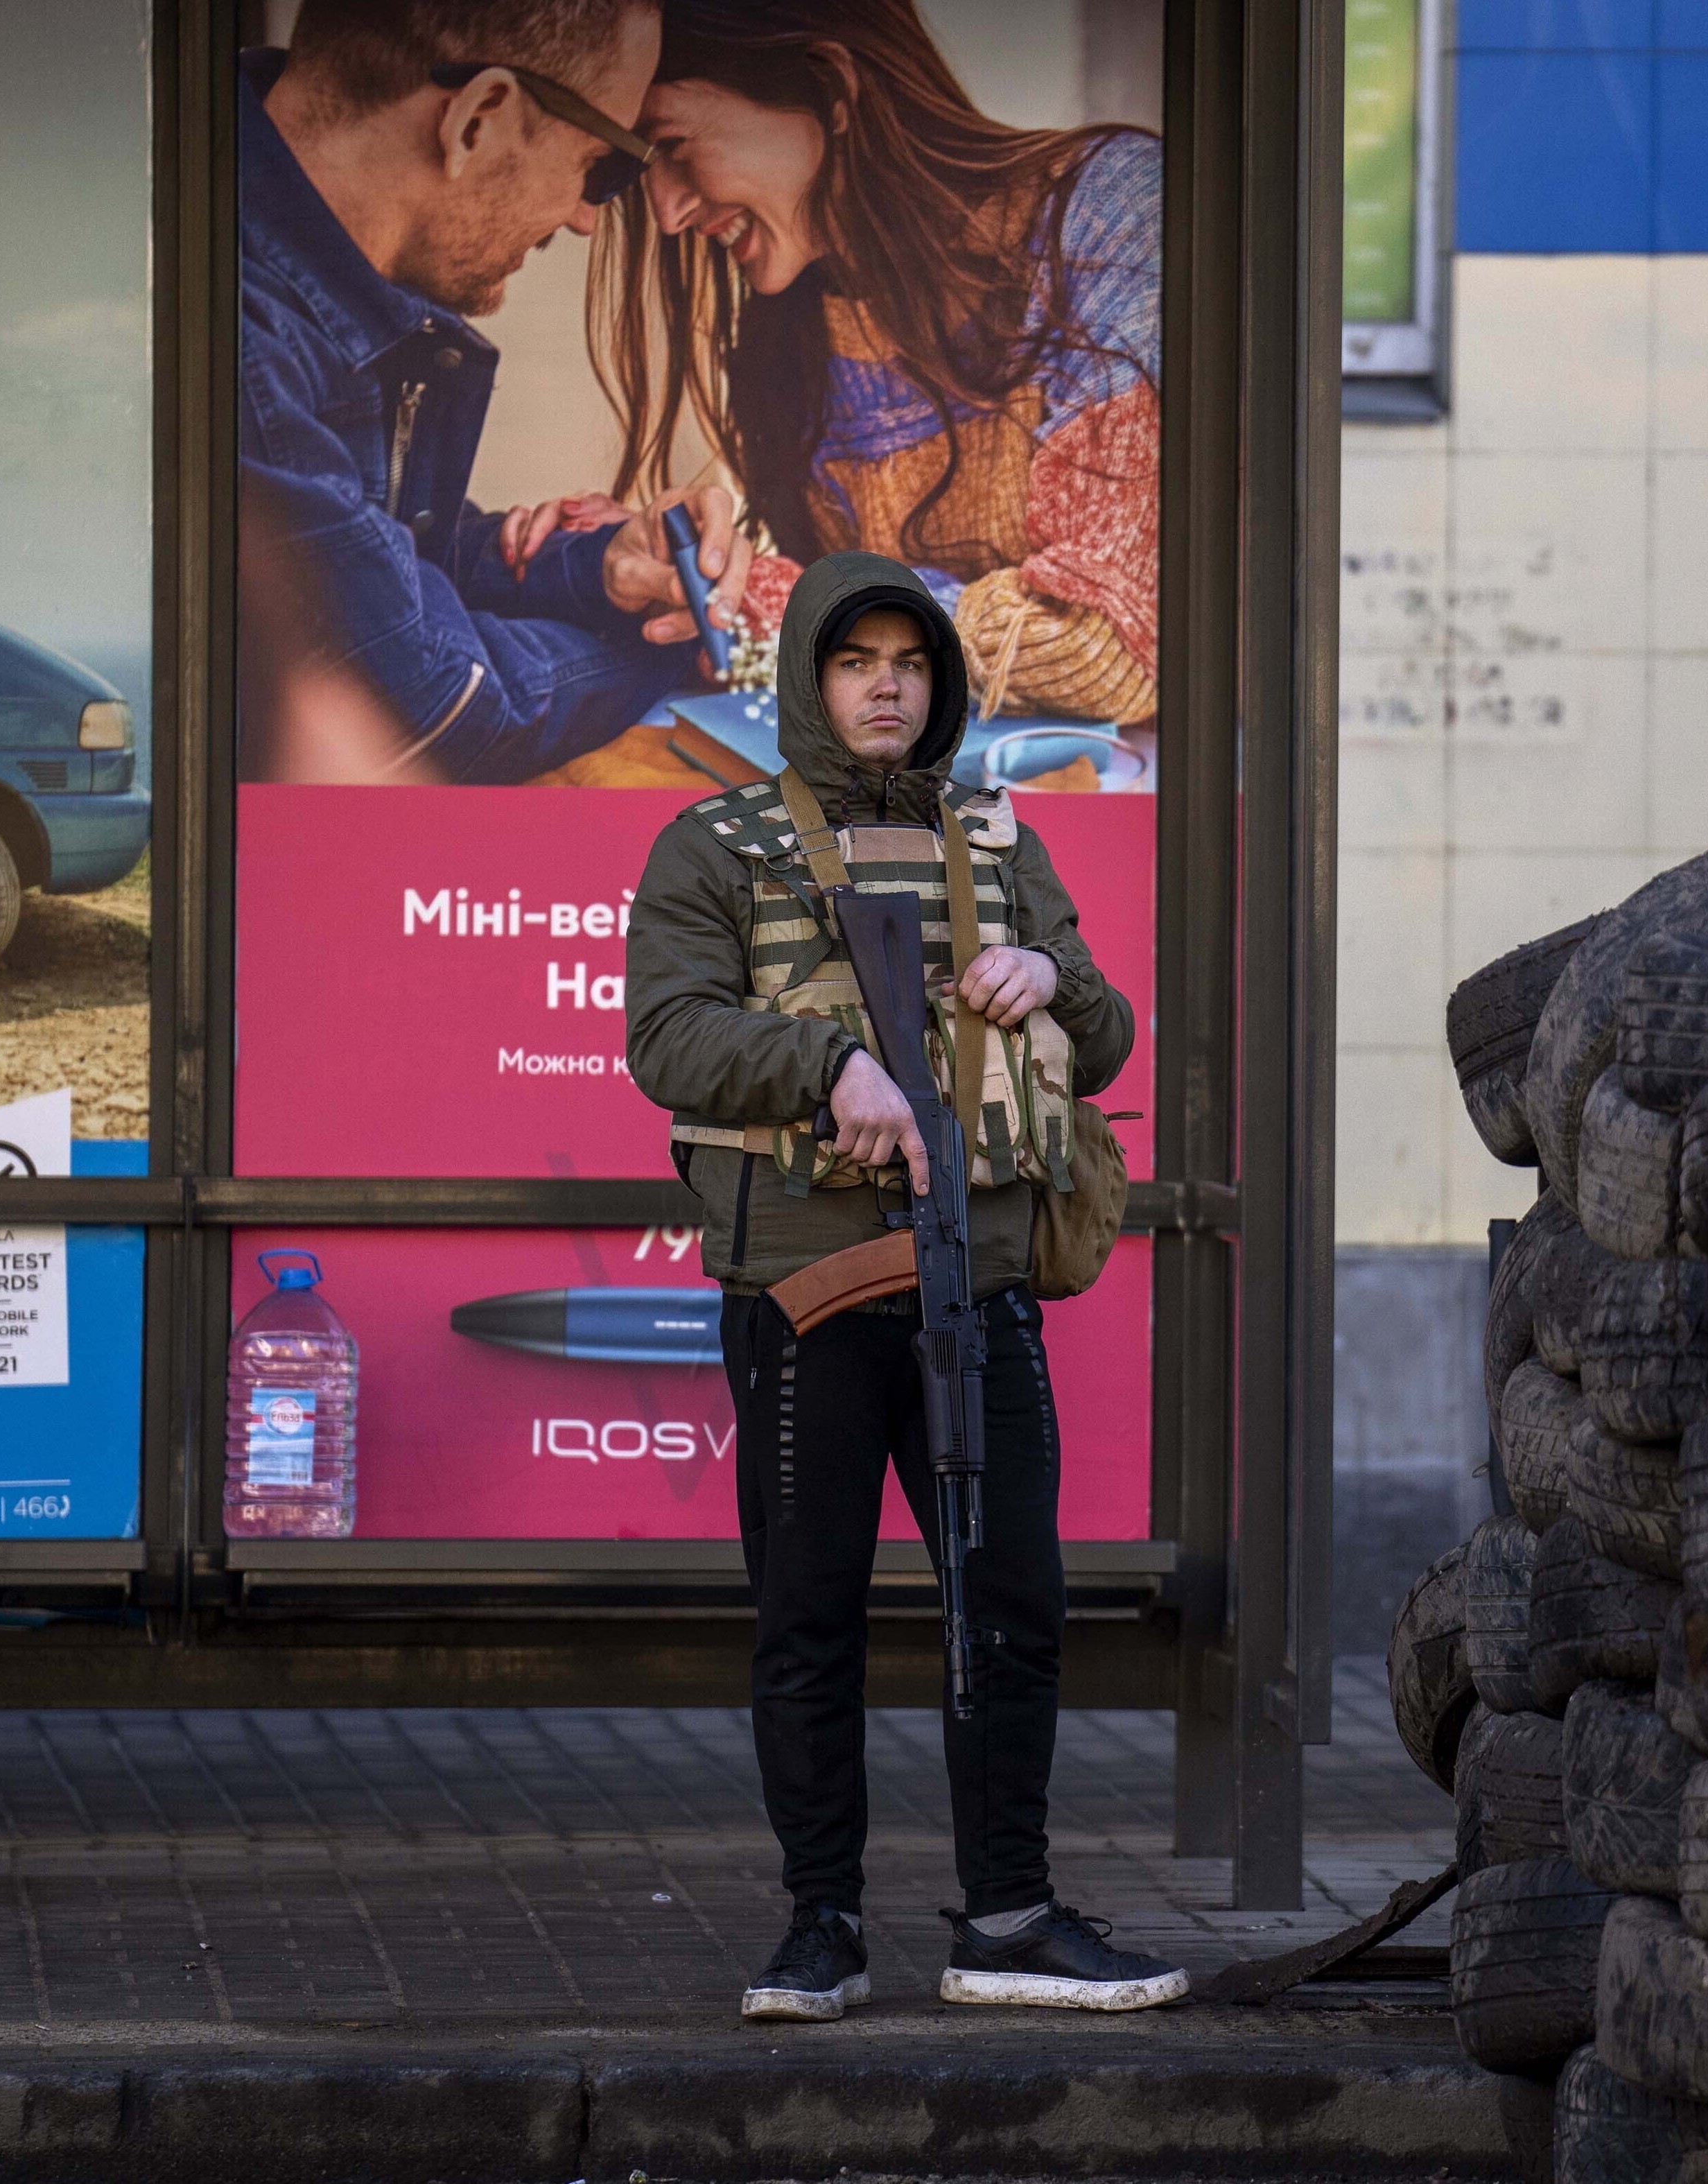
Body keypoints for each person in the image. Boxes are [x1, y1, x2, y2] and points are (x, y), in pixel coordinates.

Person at [624, 548, 1183, 2020]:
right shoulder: (718, 843)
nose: (889, 684)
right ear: (811, 676)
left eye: (913, 662)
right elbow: (668, 1041)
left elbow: (1109, 1034)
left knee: (1012, 1602)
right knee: (809, 1615)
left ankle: (1006, 1916)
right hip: (807, 1289)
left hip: (977, 1279)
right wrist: (827, 1063)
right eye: (859, 659)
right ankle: (823, 1928)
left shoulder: (995, 837)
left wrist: (1049, 987)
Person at [582, 0, 1160, 734]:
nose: (665, 212)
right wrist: (653, 569)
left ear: (833, 91)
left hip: (1129, 818)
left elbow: (1108, 645)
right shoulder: (789, 328)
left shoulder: (1110, 210)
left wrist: (769, 598)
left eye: (671, 143)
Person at [238, 0, 755, 784]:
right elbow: (436, 706)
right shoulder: (241, 340)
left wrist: (604, 570)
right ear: (480, 118)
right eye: (605, 166)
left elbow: (389, 572)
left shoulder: (297, 278)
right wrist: (674, 642)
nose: (586, 219)